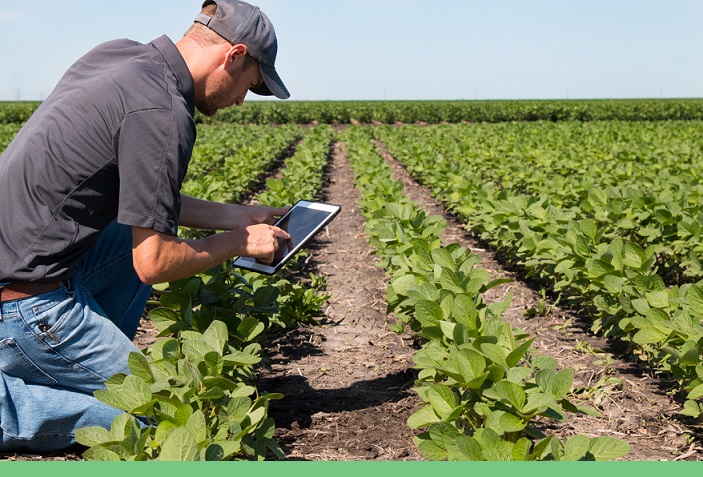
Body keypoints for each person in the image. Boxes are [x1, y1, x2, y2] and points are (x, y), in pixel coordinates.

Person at [0, 0, 291, 451]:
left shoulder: (119, 56)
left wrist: (234, 214)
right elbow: (153, 263)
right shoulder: (165, 113)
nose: (238, 100)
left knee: (125, 229)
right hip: (26, 307)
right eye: (247, 86)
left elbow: (136, 200)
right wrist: (237, 241)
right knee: (168, 416)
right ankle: (14, 402)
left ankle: (72, 369)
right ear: (232, 56)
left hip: (22, 271)